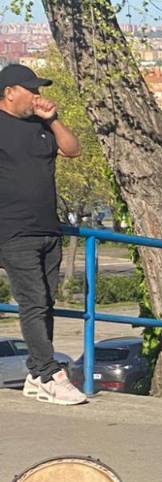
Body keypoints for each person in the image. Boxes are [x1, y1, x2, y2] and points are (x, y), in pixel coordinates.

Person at [0, 63, 87, 406]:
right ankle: (51, 374)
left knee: (45, 303)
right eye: (30, 90)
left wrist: (52, 118)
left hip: (48, 230)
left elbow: (72, 149)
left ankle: (36, 375)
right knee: (33, 302)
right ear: (9, 93)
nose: (37, 96)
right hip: (13, 231)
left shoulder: (41, 126)